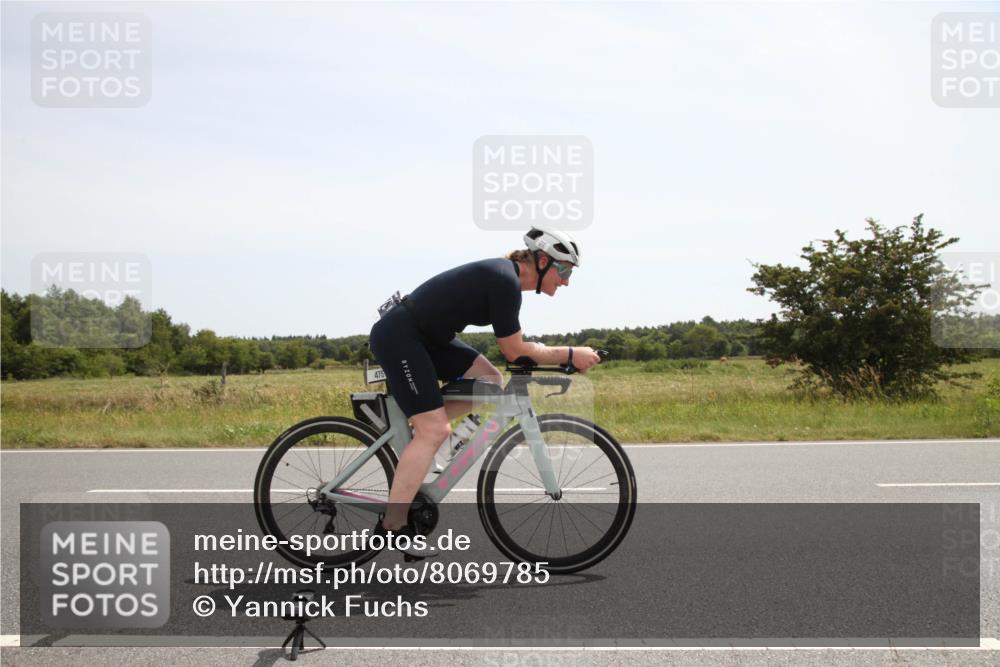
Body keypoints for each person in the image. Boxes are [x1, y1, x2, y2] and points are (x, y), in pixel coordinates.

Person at [368, 226, 601, 556]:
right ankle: (394, 524)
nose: (565, 281)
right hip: (401, 336)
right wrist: (568, 354)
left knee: (489, 381)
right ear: (544, 261)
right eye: (563, 271)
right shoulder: (505, 282)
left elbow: (516, 350)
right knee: (433, 429)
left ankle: (428, 438)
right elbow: (514, 350)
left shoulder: (507, 280)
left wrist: (557, 355)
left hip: (427, 337)